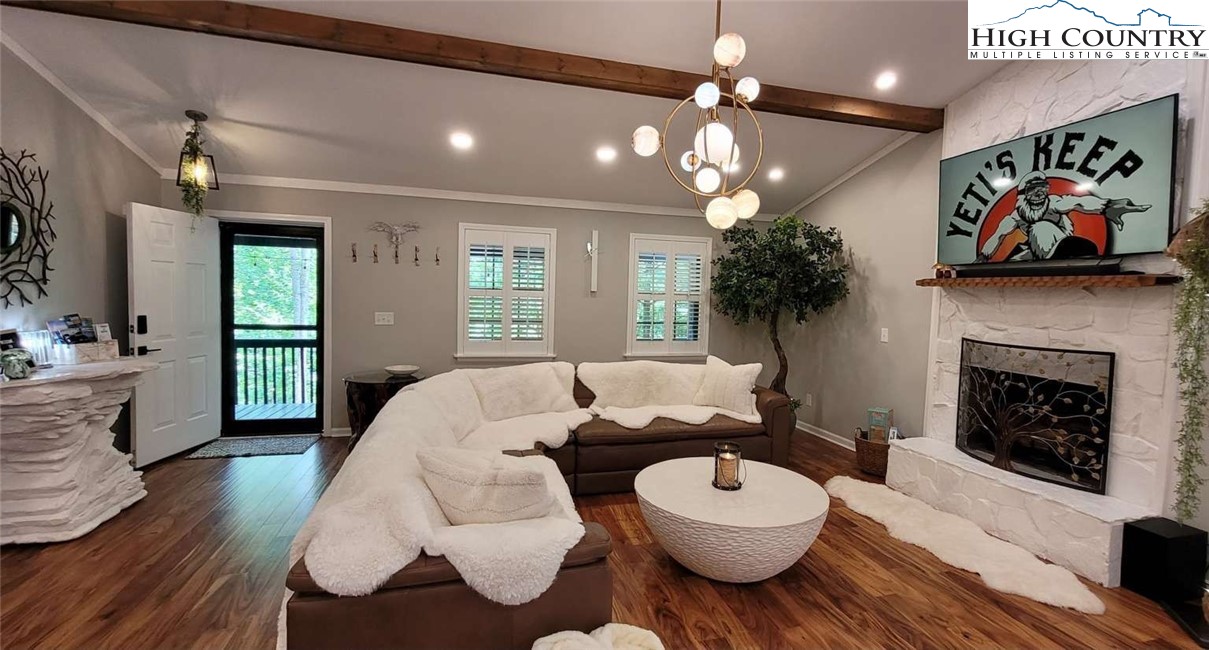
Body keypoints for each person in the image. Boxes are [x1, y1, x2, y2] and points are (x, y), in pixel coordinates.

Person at [978, 171, 1151, 261]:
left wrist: (1108, 206)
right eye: (1033, 190)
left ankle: (1058, 254)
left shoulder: (1053, 203)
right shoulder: (1016, 216)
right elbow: (998, 236)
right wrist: (983, 258)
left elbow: (1078, 203)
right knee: (1013, 262)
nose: (1039, 194)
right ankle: (1046, 260)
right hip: (1035, 249)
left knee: (1040, 227)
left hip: (1060, 239)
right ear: (1023, 195)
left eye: (1043, 188)